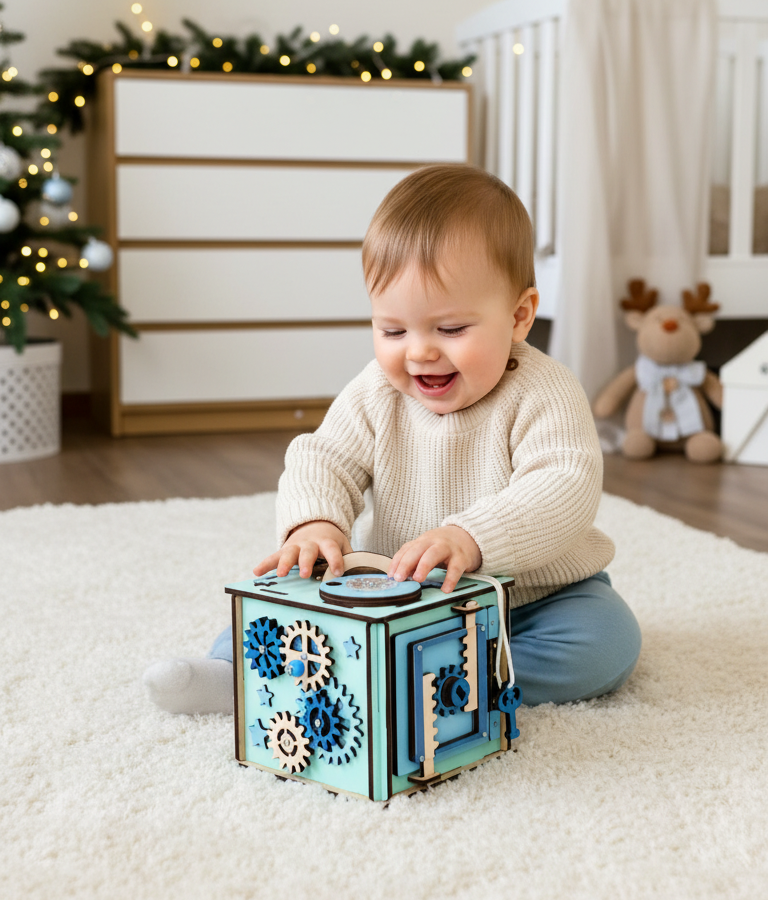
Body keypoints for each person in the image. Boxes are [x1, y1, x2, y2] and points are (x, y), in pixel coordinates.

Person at [143, 163, 641, 716]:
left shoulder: (544, 390)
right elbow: (324, 458)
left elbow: (564, 484)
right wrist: (315, 524)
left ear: (519, 316)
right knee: (279, 605)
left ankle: (434, 681)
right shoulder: (377, 391)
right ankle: (234, 675)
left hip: (532, 598)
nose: (419, 351)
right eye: (393, 330)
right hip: (399, 597)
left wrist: (471, 537)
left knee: (608, 641)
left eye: (451, 329)